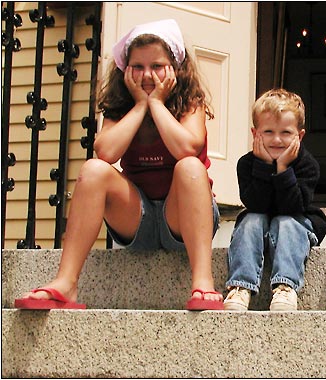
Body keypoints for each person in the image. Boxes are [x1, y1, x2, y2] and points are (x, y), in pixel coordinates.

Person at [14, 19, 223, 310]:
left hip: (184, 219)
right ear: (126, 71)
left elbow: (187, 147)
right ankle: (66, 283)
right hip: (138, 221)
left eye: (157, 65)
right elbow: (106, 152)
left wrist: (158, 104)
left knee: (189, 167)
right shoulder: (121, 105)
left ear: (175, 68)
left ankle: (203, 282)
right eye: (138, 66)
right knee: (92, 169)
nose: (147, 75)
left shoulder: (190, 101)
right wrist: (140, 106)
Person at [223, 89, 326, 311]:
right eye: (268, 131)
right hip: (260, 221)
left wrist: (282, 170)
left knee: (286, 222)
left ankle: (285, 286)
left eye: (286, 132)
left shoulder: (307, 165)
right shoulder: (246, 164)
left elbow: (293, 207)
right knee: (250, 219)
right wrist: (263, 166)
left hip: (296, 221)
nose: (277, 139)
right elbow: (255, 203)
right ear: (255, 133)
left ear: (299, 136)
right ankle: (240, 286)